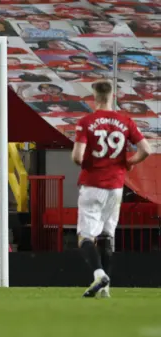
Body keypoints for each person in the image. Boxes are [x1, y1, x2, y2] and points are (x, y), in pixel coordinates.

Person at [71, 80, 151, 298]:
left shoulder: (86, 122)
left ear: (94, 96)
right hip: (116, 187)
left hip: (92, 185)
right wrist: (129, 162)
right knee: (107, 235)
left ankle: (99, 274)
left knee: (85, 237)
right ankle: (105, 288)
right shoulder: (125, 121)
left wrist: (88, 163)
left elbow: (77, 156)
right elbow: (146, 149)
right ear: (112, 96)